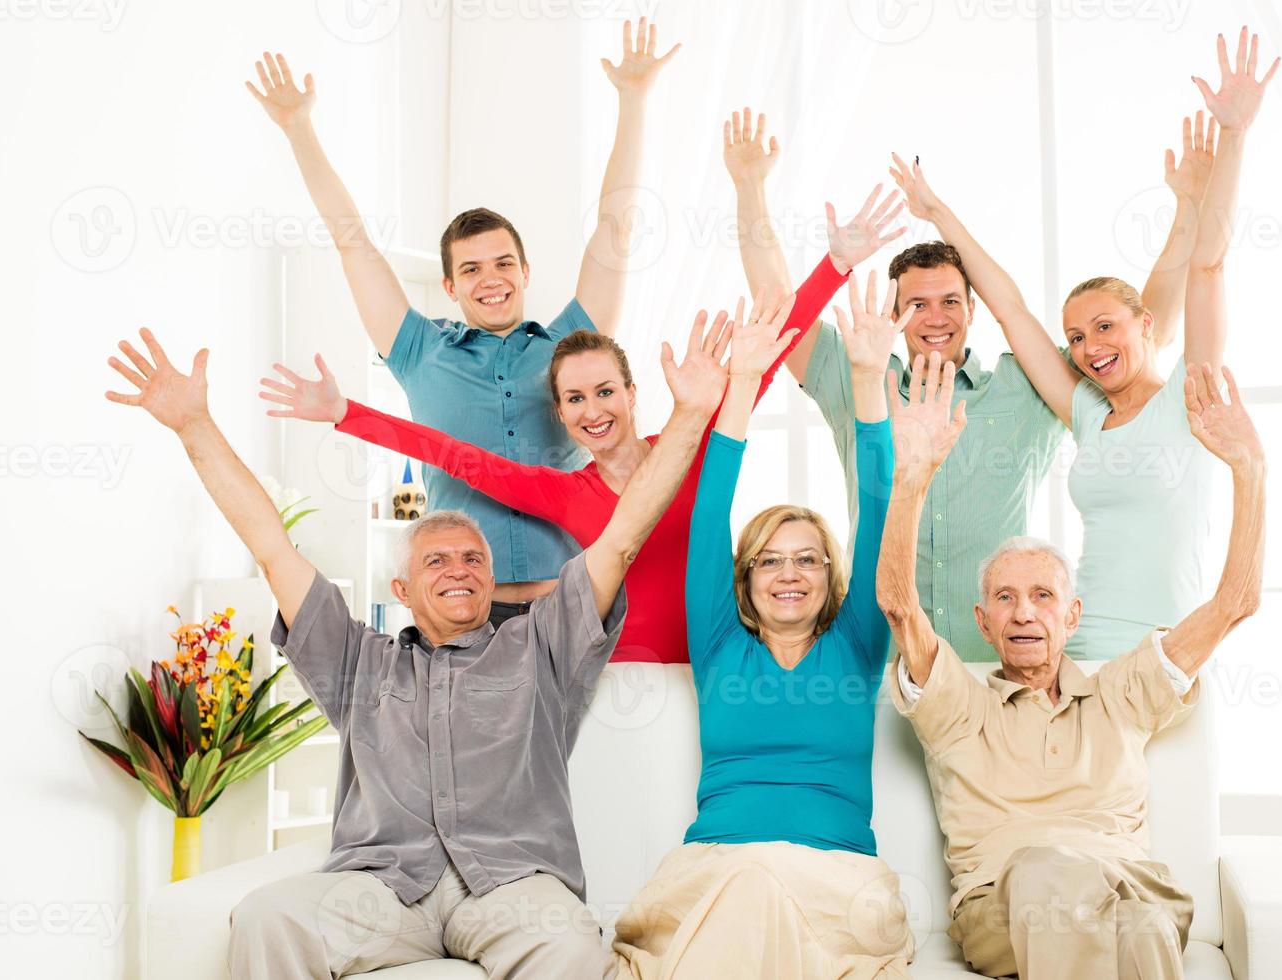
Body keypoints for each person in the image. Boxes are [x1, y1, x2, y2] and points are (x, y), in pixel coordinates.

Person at [103, 318, 728, 979]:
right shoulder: (357, 660)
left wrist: (689, 415)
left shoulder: (543, 644)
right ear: (401, 586)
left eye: (472, 559)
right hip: (383, 888)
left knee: (570, 945)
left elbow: (623, 537)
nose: (458, 568)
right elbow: (272, 548)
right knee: (268, 917)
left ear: (491, 580)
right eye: (437, 560)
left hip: (511, 887)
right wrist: (193, 425)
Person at [258, 194, 904, 664]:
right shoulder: (566, 494)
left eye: (604, 392)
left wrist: (836, 266)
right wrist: (344, 412)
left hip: (712, 669)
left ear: (632, 393)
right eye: (574, 399)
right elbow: (452, 455)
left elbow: (766, 360)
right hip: (607, 683)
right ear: (560, 415)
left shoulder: (690, 450)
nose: (593, 411)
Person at [246, 18, 678, 624]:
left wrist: (633, 102)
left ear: (526, 271)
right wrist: (299, 130)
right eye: (471, 269)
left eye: (503, 263)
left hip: (574, 605)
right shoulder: (419, 349)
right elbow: (354, 245)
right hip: (463, 608)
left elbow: (616, 234)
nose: (490, 278)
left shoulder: (570, 353)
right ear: (449, 285)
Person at [885, 27, 1278, 659]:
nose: (1088, 346)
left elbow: (1208, 265)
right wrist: (939, 215)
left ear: (1145, 323)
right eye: (1074, 335)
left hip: (1164, 651)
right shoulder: (1089, 415)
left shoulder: (1193, 393)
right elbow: (1009, 308)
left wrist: (1233, 136)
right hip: (1078, 652)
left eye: (1103, 327)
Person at [876, 356, 1266, 979]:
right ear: (982, 622)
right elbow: (898, 605)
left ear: (1073, 616)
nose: (1024, 613)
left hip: (1129, 890)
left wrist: (1250, 468)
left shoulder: (1122, 693)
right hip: (1005, 905)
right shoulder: (958, 707)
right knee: (1045, 870)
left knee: (1140, 921)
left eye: (1043, 596)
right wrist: (912, 478)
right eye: (1004, 598)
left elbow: (1235, 603)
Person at [611, 274, 914, 978]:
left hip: (835, 879)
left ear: (831, 577)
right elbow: (710, 507)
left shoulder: (858, 646)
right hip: (721, 870)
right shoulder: (719, 648)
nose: (789, 574)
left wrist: (868, 380)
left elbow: (877, 508)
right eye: (770, 561)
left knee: (763, 899)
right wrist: (739, 386)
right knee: (749, 892)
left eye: (807, 560)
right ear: (743, 579)